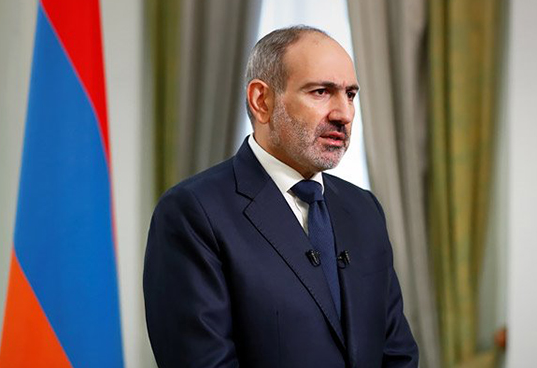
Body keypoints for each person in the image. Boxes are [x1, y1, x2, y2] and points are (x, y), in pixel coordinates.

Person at [143, 25, 419, 368]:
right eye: (321, 92)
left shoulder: (364, 209)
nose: (344, 114)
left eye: (350, 94)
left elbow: (398, 354)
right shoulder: (193, 213)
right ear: (262, 100)